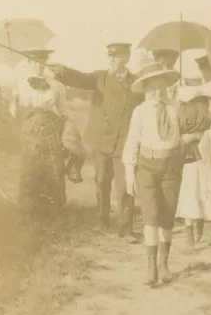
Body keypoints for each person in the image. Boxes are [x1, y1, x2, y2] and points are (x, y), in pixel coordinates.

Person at [123, 60, 209, 286]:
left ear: (167, 86)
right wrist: (129, 173)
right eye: (151, 87)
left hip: (172, 166)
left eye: (161, 85)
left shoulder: (178, 108)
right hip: (147, 166)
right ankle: (150, 265)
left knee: (167, 218)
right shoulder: (140, 112)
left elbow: (198, 127)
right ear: (145, 89)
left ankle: (164, 263)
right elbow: (132, 141)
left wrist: (189, 137)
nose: (157, 91)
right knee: (150, 217)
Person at [51, 43, 143, 236]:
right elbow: (81, 79)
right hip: (102, 141)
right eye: (109, 55)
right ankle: (103, 221)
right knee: (101, 181)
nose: (110, 58)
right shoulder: (99, 77)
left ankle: (125, 229)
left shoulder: (136, 83)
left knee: (125, 186)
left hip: (125, 142)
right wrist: (63, 72)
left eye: (115, 55)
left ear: (126, 57)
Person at [10, 49, 67, 223]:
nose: (38, 65)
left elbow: (63, 110)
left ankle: (55, 214)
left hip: (51, 127)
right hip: (30, 128)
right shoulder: (20, 84)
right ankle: (26, 214)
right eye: (34, 61)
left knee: (55, 170)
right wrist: (19, 104)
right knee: (30, 170)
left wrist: (62, 130)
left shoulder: (56, 85)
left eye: (42, 61)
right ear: (28, 63)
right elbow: (13, 111)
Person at [176, 56, 211, 251]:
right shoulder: (189, 94)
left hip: (208, 145)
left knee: (206, 190)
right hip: (191, 149)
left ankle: (201, 224)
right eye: (202, 68)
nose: (205, 72)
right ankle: (188, 233)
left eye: (207, 68)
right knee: (189, 191)